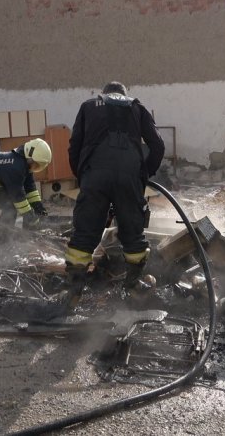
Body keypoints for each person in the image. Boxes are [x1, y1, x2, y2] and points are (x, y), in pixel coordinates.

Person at [63, 81, 165, 306]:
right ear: (124, 95)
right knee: (133, 236)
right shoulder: (138, 108)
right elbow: (157, 146)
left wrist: (84, 177)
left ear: (104, 94)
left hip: (94, 177)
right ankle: (131, 289)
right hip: (129, 177)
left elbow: (74, 146)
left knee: (84, 234)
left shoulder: (89, 106)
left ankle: (74, 293)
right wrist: (143, 174)